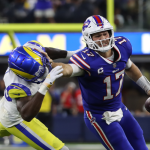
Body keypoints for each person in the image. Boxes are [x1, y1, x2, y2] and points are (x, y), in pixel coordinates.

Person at [39, 15, 150, 150]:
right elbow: (68, 69)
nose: (103, 38)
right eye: (97, 36)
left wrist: (147, 88)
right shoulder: (86, 59)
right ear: (88, 38)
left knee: (139, 141)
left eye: (105, 34)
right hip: (99, 116)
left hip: (119, 108)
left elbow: (130, 67)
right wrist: (51, 65)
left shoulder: (122, 46)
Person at [0, 43, 69, 150]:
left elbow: (45, 50)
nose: (41, 71)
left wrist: (72, 54)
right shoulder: (17, 85)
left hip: (4, 110)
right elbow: (26, 116)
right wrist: (45, 85)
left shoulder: (30, 50)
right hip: (16, 120)